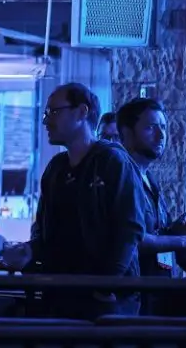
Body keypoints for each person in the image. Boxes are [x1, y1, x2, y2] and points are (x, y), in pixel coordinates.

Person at [20, 83, 151, 318]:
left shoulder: (112, 161)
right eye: (46, 113)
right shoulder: (56, 168)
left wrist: (107, 286)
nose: (46, 121)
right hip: (62, 293)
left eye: (53, 112)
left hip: (106, 300)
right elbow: (46, 230)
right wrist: (28, 251)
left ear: (82, 112)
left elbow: (130, 227)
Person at [116, 97, 186, 280]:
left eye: (163, 127)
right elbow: (131, 238)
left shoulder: (150, 178)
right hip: (134, 289)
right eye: (151, 127)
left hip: (157, 286)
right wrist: (184, 241)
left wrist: (177, 230)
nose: (161, 135)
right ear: (127, 133)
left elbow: (154, 233)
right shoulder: (121, 177)